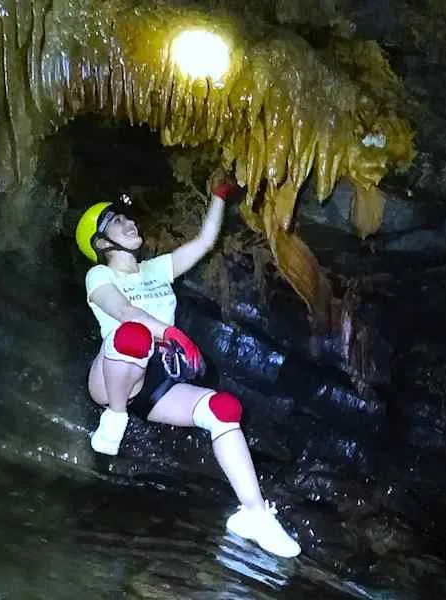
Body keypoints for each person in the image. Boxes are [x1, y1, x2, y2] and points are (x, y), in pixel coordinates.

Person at [74, 172, 301, 558]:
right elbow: (124, 311)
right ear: (100, 242)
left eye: (127, 219)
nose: (130, 223)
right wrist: (172, 334)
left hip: (158, 384)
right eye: (117, 221)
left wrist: (219, 195)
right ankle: (114, 418)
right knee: (134, 334)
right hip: (116, 374)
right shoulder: (99, 274)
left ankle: (255, 514)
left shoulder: (157, 270)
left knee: (224, 409)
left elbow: (205, 242)